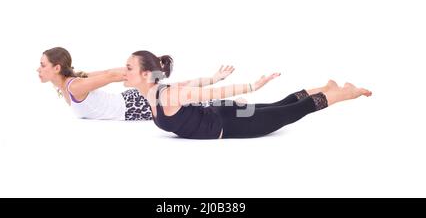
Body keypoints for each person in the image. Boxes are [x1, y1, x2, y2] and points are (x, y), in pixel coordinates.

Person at [124, 50, 372, 139]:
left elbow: (213, 92)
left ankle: (345, 93)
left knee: (293, 111)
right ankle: (326, 87)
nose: (123, 72)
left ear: (147, 75)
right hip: (225, 115)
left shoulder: (167, 95)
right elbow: (197, 83)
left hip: (232, 122)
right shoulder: (155, 91)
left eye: (128, 68)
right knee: (281, 105)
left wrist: (252, 87)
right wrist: (214, 76)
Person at [37, 47, 234, 121]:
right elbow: (99, 73)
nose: (38, 69)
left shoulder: (74, 86)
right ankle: (214, 81)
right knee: (175, 91)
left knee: (184, 97)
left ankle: (219, 87)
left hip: (132, 106)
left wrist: (135, 71)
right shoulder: (69, 82)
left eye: (42, 65)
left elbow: (108, 74)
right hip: (129, 102)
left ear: (56, 68)